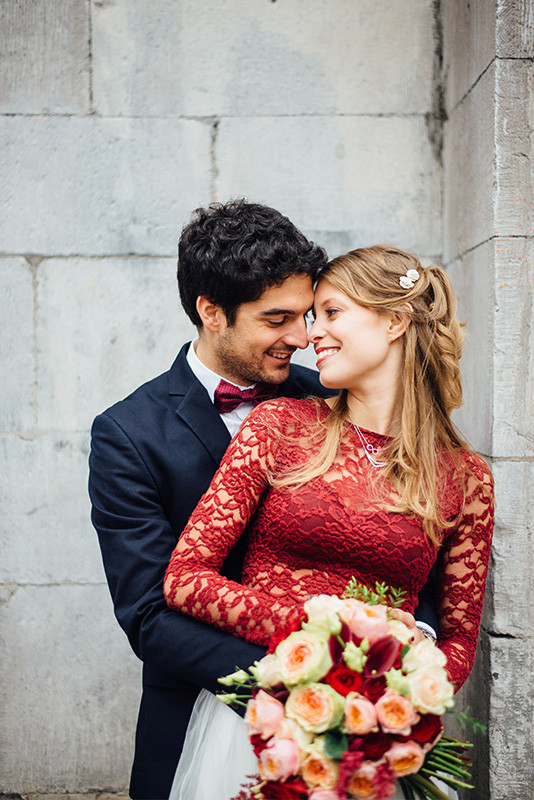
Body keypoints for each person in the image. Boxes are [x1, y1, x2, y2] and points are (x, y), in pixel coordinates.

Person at [89, 203, 437, 799]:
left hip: (358, 725)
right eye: (278, 319)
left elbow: (411, 530)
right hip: (202, 711)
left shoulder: (330, 394)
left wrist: (407, 650)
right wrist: (307, 681)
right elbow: (148, 616)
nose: (302, 339)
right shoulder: (128, 433)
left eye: (307, 315)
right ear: (211, 311)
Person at [163, 244, 494, 800]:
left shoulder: (465, 477)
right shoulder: (280, 425)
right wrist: (334, 642)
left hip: (374, 735)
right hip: (262, 717)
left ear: (394, 320)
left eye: (331, 312)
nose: (311, 334)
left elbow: (460, 638)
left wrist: (399, 690)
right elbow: (185, 578)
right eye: (310, 317)